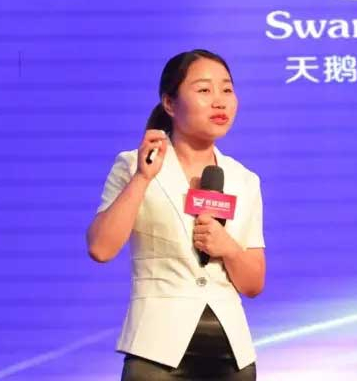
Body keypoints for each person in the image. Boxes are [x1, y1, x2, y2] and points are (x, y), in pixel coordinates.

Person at [86, 49, 266, 380]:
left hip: (231, 356)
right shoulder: (134, 165)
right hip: (156, 352)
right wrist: (143, 178)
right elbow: (101, 248)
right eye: (204, 90)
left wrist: (227, 247)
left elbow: (254, 283)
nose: (220, 101)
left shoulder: (244, 179)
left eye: (227, 89)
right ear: (170, 103)